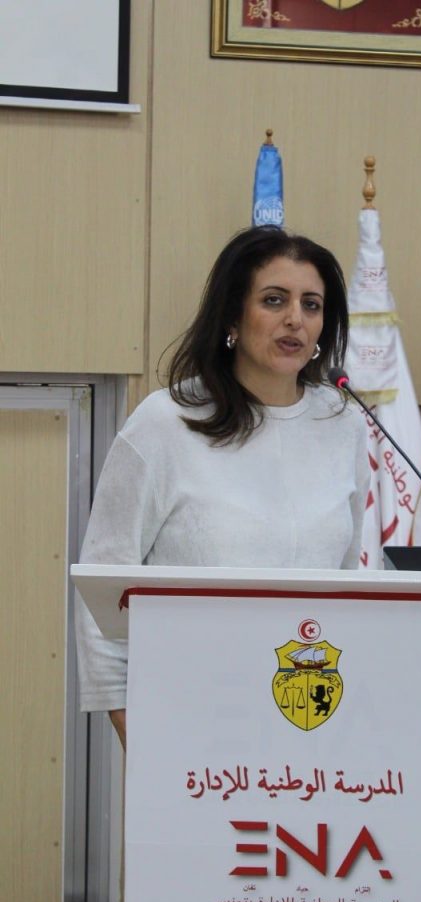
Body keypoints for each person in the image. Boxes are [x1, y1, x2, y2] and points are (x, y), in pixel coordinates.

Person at [76, 226, 370, 749]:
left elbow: (346, 579)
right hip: (187, 715)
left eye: (311, 304)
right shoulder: (165, 423)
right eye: (274, 300)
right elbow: (102, 585)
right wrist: (128, 721)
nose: (295, 319)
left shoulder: (343, 423)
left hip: (311, 717)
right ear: (233, 316)